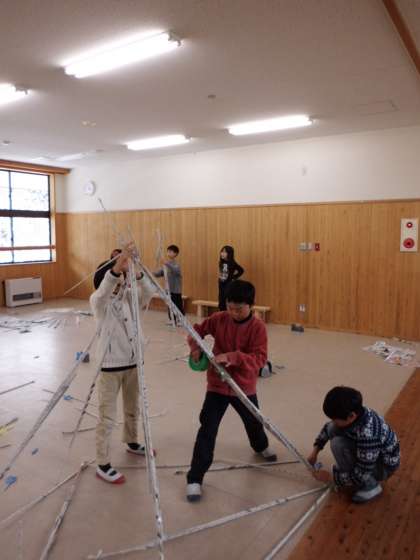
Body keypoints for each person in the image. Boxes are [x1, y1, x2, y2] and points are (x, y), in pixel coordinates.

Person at [186, 279, 277, 502]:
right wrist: (195, 347)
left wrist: (233, 357)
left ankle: (261, 446)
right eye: (230, 307)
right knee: (207, 428)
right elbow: (195, 330)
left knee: (254, 421)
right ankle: (195, 478)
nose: (233, 313)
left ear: (251, 306)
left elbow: (260, 359)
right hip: (217, 386)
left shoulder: (258, 328)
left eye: (239, 309)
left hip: (243, 387)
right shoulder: (219, 318)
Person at [90, 244, 155, 484]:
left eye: (122, 280)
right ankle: (103, 462)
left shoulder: (129, 299)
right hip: (110, 367)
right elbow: (104, 289)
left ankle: (132, 440)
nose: (120, 283)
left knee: (132, 407)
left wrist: (136, 273)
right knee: (107, 416)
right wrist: (118, 266)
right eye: (116, 279)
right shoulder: (99, 302)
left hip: (133, 363)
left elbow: (149, 292)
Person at [308, 386, 400, 503]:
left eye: (335, 419)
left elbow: (361, 474)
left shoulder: (368, 436)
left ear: (351, 416)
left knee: (338, 445)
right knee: (333, 428)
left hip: (383, 467)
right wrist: (315, 452)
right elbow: (328, 429)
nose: (333, 421)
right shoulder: (358, 412)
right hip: (371, 455)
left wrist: (331, 478)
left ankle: (371, 486)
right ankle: (349, 472)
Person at [154, 244, 184, 323]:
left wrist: (166, 263)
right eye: (168, 251)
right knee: (170, 305)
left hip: (176, 289)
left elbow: (176, 270)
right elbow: (160, 273)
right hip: (168, 289)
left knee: (177, 305)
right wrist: (152, 273)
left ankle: (181, 320)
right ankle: (172, 319)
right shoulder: (166, 265)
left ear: (175, 253)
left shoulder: (176, 264)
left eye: (170, 252)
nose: (168, 253)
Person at [218, 245, 244, 311]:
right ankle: (221, 312)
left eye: (225, 252)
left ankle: (227, 313)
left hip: (228, 284)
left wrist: (233, 277)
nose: (222, 253)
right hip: (221, 283)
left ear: (229, 253)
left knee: (226, 299)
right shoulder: (221, 262)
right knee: (221, 300)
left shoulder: (232, 263)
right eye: (222, 251)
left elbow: (241, 270)